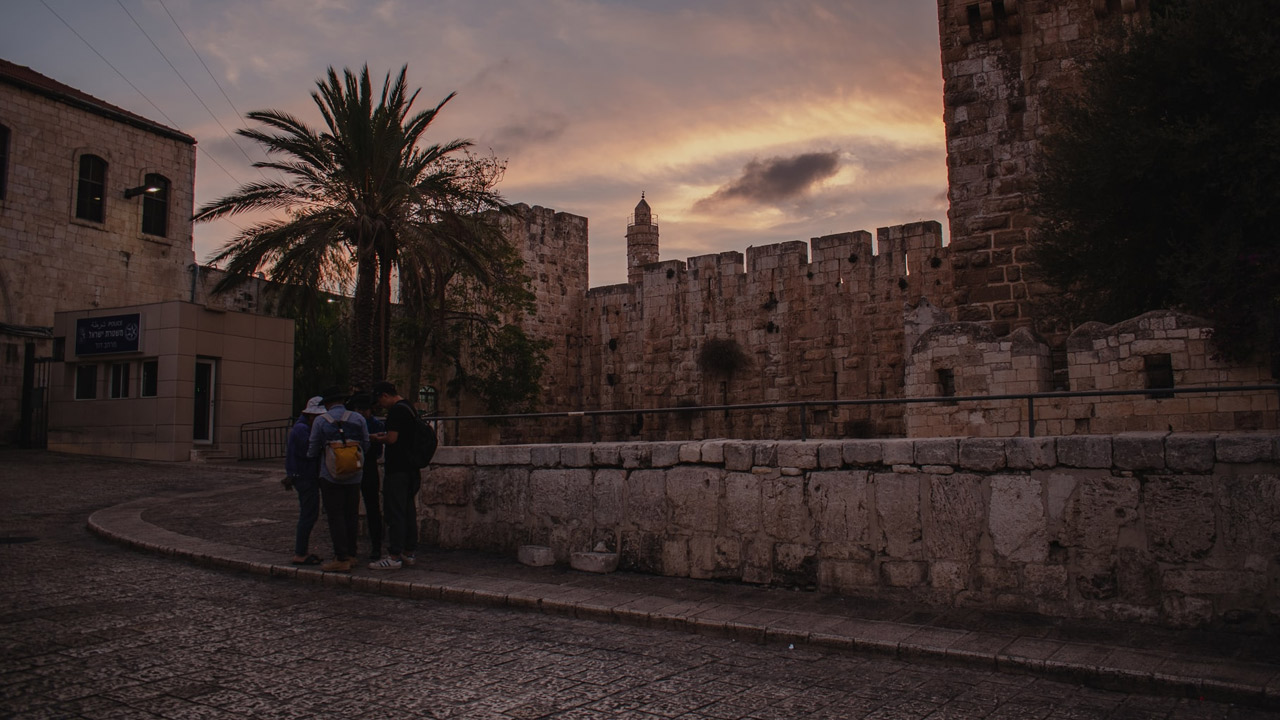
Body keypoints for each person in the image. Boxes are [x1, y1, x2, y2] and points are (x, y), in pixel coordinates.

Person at [307, 385, 369, 573]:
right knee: (351, 514)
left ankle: (341, 557)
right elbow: (366, 443)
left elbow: (313, 447)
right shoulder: (357, 418)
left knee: (336, 516)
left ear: (327, 403)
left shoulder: (321, 421)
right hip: (354, 474)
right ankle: (352, 553)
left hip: (330, 474)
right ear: (343, 401)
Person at [369, 380, 421, 570]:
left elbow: (392, 438)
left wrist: (375, 438)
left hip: (398, 469)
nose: (380, 406)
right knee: (408, 510)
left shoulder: (397, 411)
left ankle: (394, 555)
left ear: (385, 395)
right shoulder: (409, 407)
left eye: (380, 401)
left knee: (395, 511)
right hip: (411, 468)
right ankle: (409, 551)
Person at [284, 395, 326, 566]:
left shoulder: (302, 428)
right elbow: (310, 451)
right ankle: (300, 553)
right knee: (308, 515)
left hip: (304, 476)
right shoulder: (302, 430)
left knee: (309, 514)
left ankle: (303, 551)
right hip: (305, 476)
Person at [347, 392, 384, 561]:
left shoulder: (356, 423)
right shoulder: (370, 424)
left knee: (369, 508)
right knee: (366, 508)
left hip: (361, 466)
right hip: (363, 465)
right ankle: (364, 547)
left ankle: (372, 546)